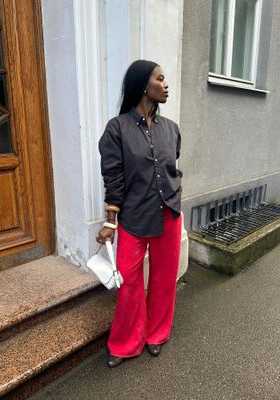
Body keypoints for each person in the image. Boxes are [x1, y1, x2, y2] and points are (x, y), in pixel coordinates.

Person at [97, 59, 183, 368]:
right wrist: (110, 220)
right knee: (130, 283)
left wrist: (175, 189)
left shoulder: (171, 129)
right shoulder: (117, 128)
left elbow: (173, 165)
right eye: (160, 79)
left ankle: (157, 334)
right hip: (133, 218)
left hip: (169, 215)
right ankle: (125, 343)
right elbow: (113, 176)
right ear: (143, 85)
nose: (166, 85)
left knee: (163, 279)